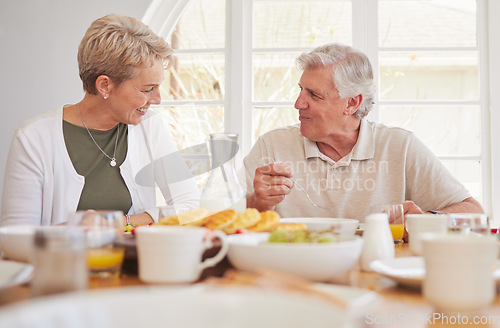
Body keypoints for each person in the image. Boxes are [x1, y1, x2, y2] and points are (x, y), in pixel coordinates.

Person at [0, 14, 200, 226]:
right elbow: (15, 237)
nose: (157, 100)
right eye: (148, 89)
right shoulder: (34, 138)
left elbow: (189, 205)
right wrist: (74, 229)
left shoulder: (150, 126)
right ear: (104, 85)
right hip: (65, 260)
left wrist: (121, 222)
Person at [244, 43, 483, 220]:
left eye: (314, 95)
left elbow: (473, 212)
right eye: (301, 90)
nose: (298, 103)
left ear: (351, 103)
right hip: (290, 278)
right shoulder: (271, 146)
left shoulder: (400, 146)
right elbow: (221, 219)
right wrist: (256, 203)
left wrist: (427, 220)